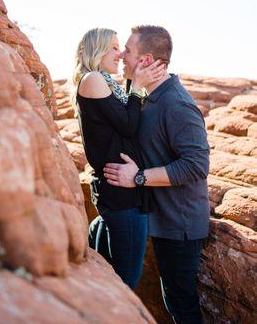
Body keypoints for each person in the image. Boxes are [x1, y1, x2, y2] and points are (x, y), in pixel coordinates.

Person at [103, 25, 210, 323]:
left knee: (180, 305)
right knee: (171, 300)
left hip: (180, 224)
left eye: (128, 50)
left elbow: (196, 166)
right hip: (158, 219)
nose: (122, 55)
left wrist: (137, 177)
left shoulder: (178, 104)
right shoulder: (145, 95)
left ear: (146, 60)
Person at [71, 28, 165, 290]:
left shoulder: (104, 81)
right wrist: (136, 86)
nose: (120, 53)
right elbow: (127, 125)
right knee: (126, 280)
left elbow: (124, 121)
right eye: (113, 47)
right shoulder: (92, 79)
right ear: (97, 51)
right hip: (121, 196)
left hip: (123, 191)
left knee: (110, 275)